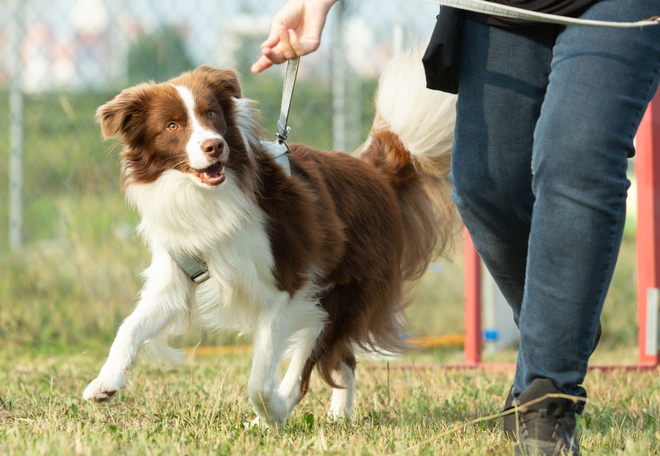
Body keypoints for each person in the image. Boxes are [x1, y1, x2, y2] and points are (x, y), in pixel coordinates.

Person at [252, 1, 660, 454]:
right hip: (504, 8)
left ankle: (547, 403)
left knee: (576, 159)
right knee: (483, 187)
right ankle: (563, 322)